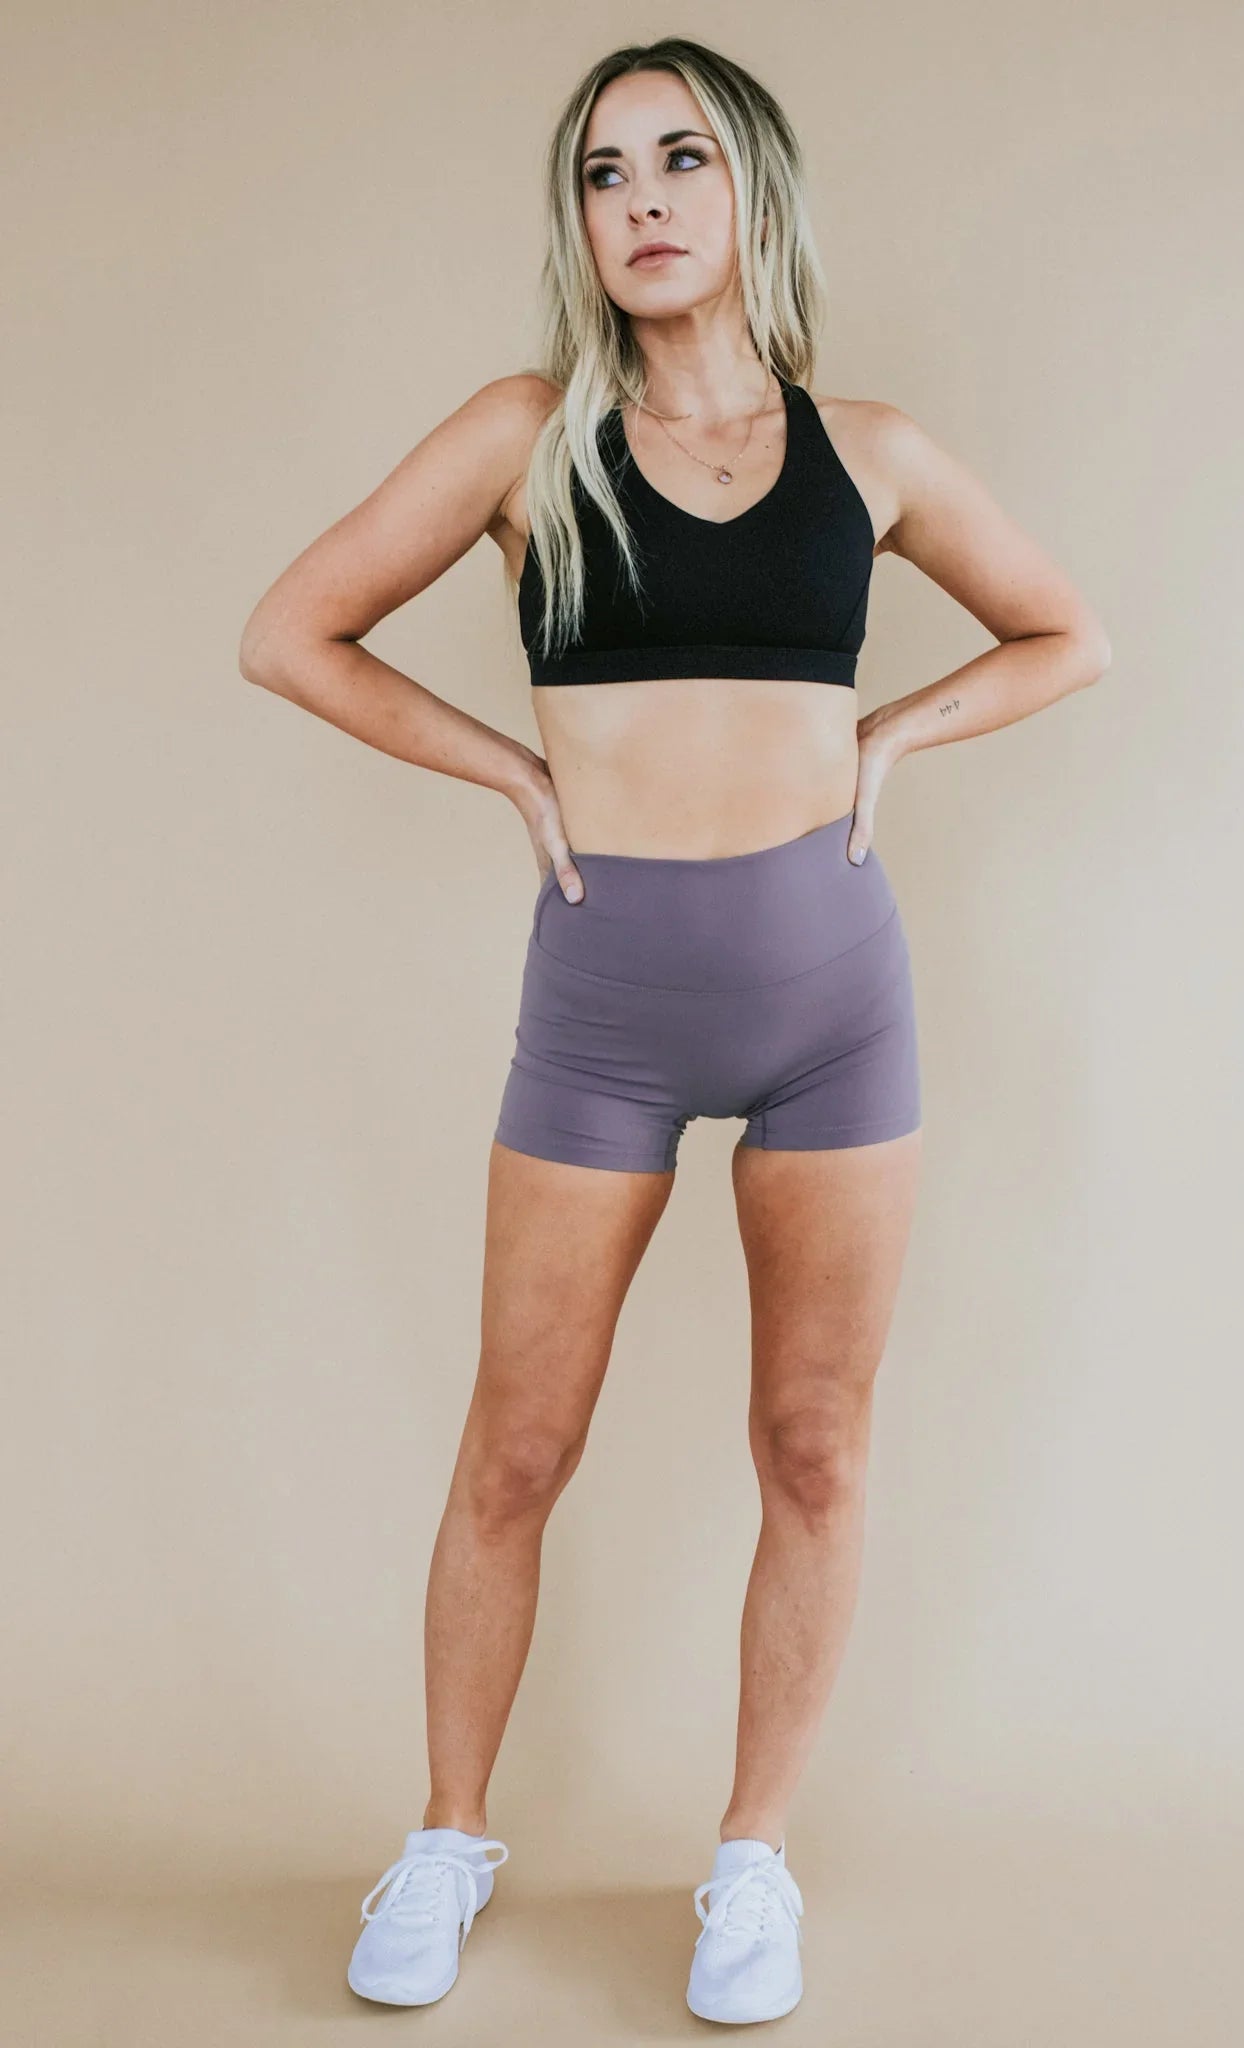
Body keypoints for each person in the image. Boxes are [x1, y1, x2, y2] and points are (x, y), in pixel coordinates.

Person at [238, 34, 1110, 2028]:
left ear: (752, 198)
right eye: (600, 170)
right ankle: (450, 1835)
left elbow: (1071, 629)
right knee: (517, 1443)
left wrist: (892, 731)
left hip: (834, 1007)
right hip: (603, 1007)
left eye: (678, 160)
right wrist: (505, 774)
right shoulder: (525, 434)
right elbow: (287, 629)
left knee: (811, 1445)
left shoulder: (866, 451)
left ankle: (749, 1859)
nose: (636, 197)